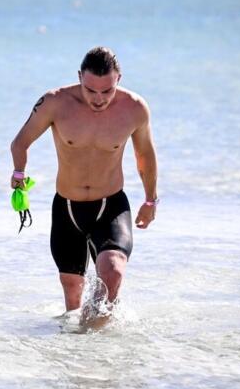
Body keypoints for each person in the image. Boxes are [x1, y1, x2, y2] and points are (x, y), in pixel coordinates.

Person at [10, 46, 158, 325]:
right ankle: (79, 354)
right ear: (80, 77)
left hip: (110, 205)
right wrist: (19, 175)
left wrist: (150, 201)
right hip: (67, 208)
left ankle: (99, 345)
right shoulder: (55, 102)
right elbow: (20, 142)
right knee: (72, 300)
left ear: (119, 79)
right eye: (91, 90)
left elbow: (145, 156)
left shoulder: (134, 108)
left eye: (107, 91)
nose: (99, 99)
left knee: (112, 272)